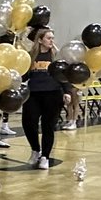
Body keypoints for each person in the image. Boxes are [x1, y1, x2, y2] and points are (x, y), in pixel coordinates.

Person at [22, 27, 72, 170]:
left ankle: (45, 157)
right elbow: (25, 76)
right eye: (48, 38)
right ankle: (35, 150)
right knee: (28, 123)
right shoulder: (30, 56)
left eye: (52, 38)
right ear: (40, 40)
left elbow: (64, 76)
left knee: (48, 126)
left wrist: (67, 92)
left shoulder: (56, 56)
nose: (52, 41)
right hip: (33, 94)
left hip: (53, 94)